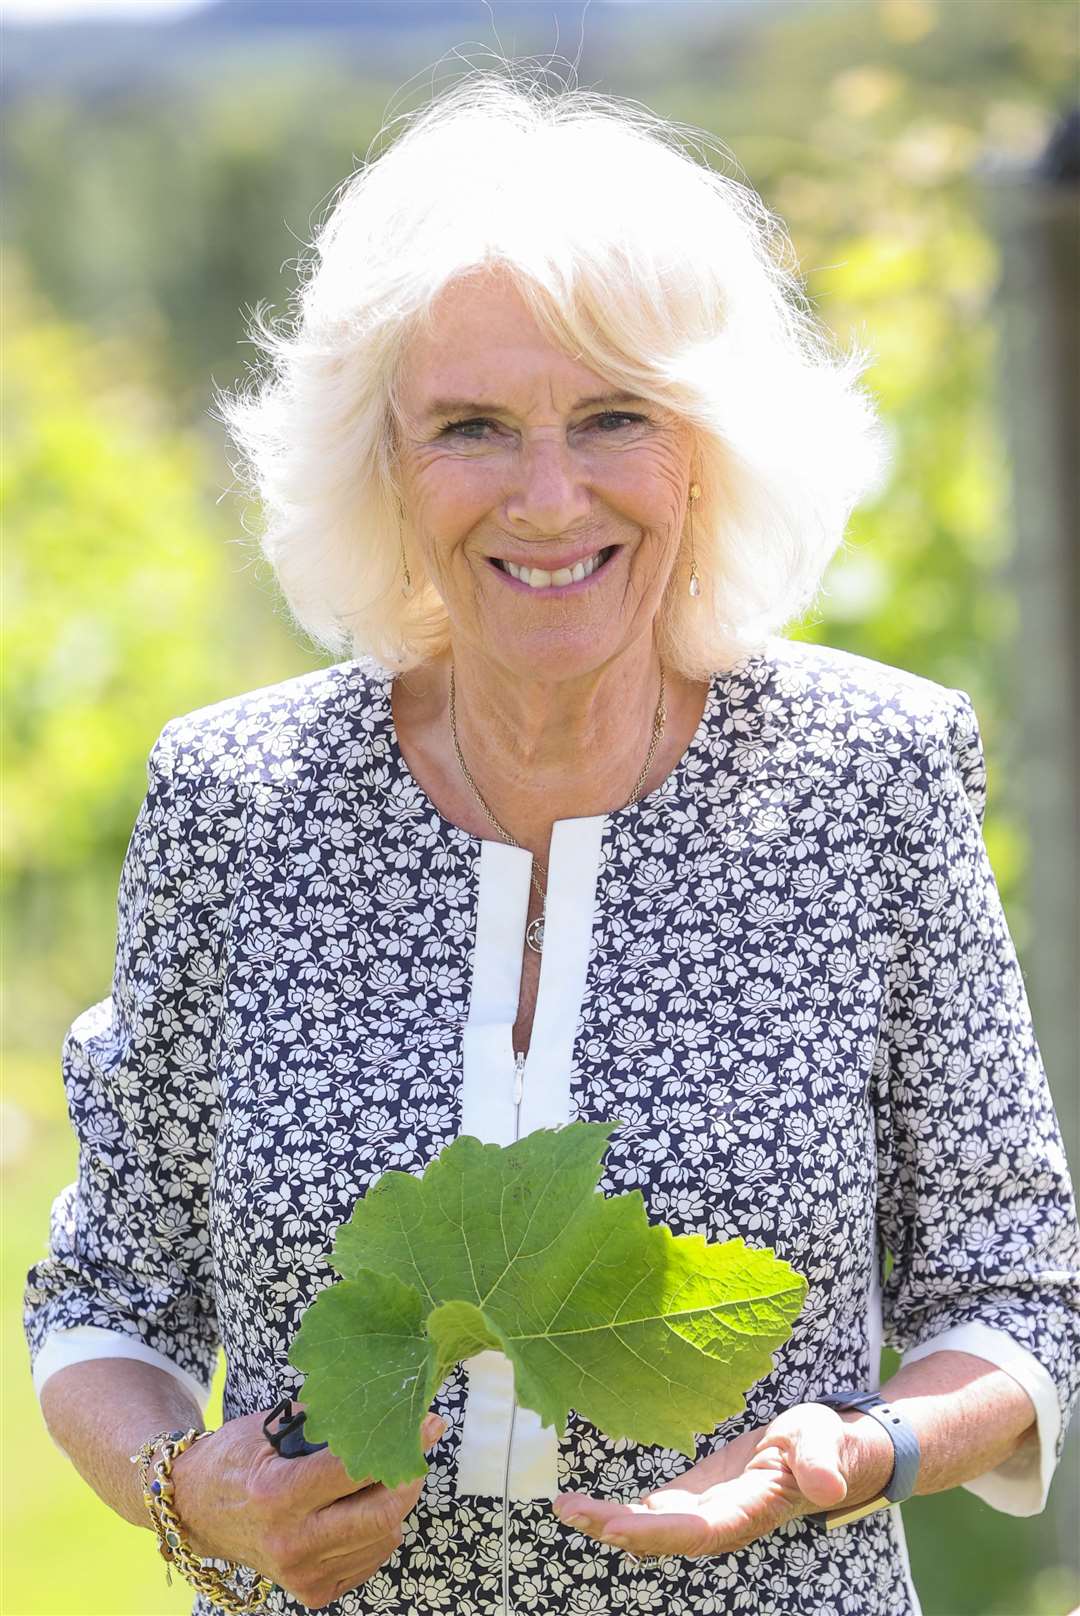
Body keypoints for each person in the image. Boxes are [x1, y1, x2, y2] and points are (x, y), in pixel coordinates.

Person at [24, 70, 1080, 1616]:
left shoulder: (873, 779)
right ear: (382, 460)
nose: (546, 495)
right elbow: (108, 1296)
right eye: (471, 426)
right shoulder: (235, 802)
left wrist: (857, 1452)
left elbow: (1018, 1287)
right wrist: (199, 1497)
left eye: (613, 418)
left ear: (707, 446)